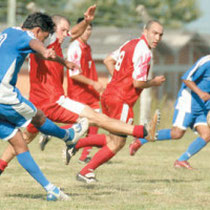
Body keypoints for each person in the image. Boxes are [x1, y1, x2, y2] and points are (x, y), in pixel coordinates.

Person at [0, 6, 159, 178]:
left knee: (22, 139)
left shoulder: (45, 42)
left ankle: (2, 166)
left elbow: (73, 34)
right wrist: (84, 24)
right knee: (97, 118)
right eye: (63, 30)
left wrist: (85, 23)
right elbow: (73, 34)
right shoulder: (46, 41)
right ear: (51, 30)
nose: (66, 34)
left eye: (66, 31)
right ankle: (142, 132)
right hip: (54, 101)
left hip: (38, 104)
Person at [0, 12, 88, 201]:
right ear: (38, 30)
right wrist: (43, 48)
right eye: (46, 36)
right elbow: (36, 44)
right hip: (3, 94)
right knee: (38, 116)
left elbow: (43, 51)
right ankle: (68, 136)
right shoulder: (29, 37)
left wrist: (63, 61)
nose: (45, 41)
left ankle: (51, 190)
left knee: (18, 142)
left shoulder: (8, 32)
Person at [66, 19, 165, 183]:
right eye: (154, 33)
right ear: (145, 31)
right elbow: (137, 83)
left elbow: (107, 60)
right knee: (118, 143)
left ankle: (76, 145)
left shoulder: (130, 43)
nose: (157, 38)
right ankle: (86, 171)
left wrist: (117, 80)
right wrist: (153, 82)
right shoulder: (145, 53)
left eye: (160, 35)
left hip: (109, 94)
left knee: (112, 138)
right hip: (122, 99)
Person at [129, 55, 210, 170]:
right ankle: (140, 140)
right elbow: (186, 78)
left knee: (207, 135)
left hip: (203, 106)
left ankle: (181, 160)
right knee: (177, 133)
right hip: (189, 100)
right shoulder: (206, 62)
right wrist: (200, 93)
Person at [66, 17, 103, 163]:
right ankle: (48, 131)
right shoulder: (75, 47)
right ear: (79, 29)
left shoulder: (87, 47)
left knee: (93, 122)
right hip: (79, 92)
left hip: (90, 92)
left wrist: (95, 84)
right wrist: (93, 83)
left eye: (89, 29)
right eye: (85, 29)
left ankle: (84, 155)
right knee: (83, 122)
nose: (87, 32)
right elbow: (74, 74)